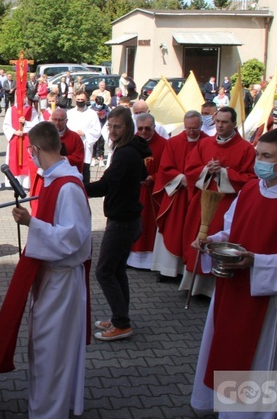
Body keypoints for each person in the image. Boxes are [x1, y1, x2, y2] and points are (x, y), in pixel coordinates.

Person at [190, 128, 277, 417]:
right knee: (222, 349)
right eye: (258, 153)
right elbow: (231, 230)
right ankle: (218, 404)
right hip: (232, 289)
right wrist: (213, 241)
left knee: (254, 365)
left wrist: (256, 262)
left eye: (266, 156)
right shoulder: (249, 189)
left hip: (265, 301)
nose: (258, 160)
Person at [0, 120, 91, 418]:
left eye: (29, 151)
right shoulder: (56, 179)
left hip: (61, 281)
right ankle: (45, 407)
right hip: (51, 278)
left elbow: (72, 238)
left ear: (34, 149)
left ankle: (48, 413)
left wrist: (31, 223)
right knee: (44, 348)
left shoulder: (67, 186)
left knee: (51, 352)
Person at [85, 106, 150, 341]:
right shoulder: (131, 148)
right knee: (117, 270)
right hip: (128, 218)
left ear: (127, 127)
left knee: (104, 272)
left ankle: (121, 324)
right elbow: (142, 175)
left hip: (123, 221)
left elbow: (105, 185)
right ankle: (119, 316)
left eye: (117, 126)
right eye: (110, 125)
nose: (112, 130)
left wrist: (77, 186)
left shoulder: (125, 153)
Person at [181, 106, 257, 298]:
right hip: (204, 200)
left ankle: (216, 289)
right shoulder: (204, 144)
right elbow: (190, 168)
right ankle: (196, 286)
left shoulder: (246, 148)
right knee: (199, 238)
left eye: (225, 122)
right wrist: (206, 169)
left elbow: (251, 178)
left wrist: (223, 172)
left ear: (233, 124)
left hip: (227, 203)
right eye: (218, 121)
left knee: (218, 240)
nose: (220, 125)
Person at [152, 111, 207, 279]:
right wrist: (182, 179)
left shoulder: (207, 142)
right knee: (172, 227)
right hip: (177, 193)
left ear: (201, 126)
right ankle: (167, 269)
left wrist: (193, 180)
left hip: (198, 194)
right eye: (188, 128)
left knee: (193, 229)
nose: (191, 132)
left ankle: (187, 270)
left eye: (195, 128)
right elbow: (165, 167)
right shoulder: (173, 142)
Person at [127, 113, 167, 270]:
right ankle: (129, 258)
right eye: (140, 128)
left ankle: (151, 260)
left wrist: (153, 177)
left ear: (154, 127)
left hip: (153, 192)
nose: (143, 132)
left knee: (149, 225)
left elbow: (167, 168)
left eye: (147, 129)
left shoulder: (164, 144)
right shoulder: (130, 142)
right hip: (133, 191)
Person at [2, 96, 39, 190]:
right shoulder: (11, 110)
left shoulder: (31, 109)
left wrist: (25, 123)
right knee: (15, 160)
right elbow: (6, 125)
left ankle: (26, 184)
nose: (21, 99)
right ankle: (15, 183)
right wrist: (14, 132)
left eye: (23, 96)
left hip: (27, 138)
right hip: (15, 138)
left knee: (26, 160)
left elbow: (36, 124)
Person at [67, 91, 101, 183]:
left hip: (85, 143)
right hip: (72, 145)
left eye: (82, 99)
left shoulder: (92, 114)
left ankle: (85, 190)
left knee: (85, 168)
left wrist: (85, 133)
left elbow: (97, 130)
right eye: (78, 99)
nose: (80, 101)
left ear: (86, 100)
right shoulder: (70, 113)